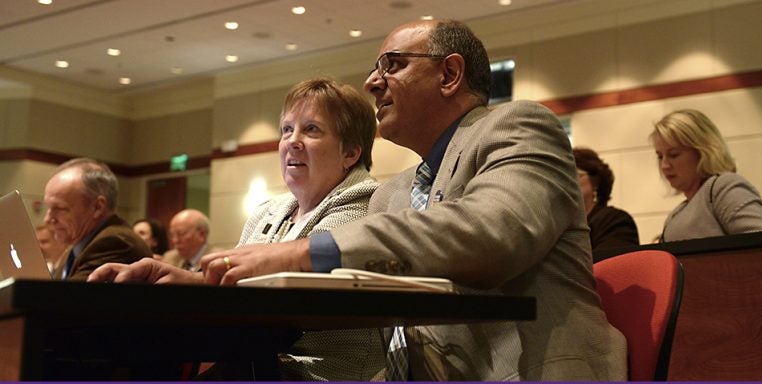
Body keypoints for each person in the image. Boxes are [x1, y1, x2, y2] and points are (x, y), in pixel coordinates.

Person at [91, 20, 627, 381]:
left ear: (450, 74)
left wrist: (306, 250)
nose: (373, 81)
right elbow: (342, 297)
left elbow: (493, 232)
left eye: (391, 63)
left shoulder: (519, 125)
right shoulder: (395, 192)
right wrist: (203, 282)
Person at [92, 78, 384, 380]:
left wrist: (198, 282)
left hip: (319, 373)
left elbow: (286, 290)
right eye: (287, 129)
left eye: (311, 129)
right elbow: (231, 285)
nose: (292, 141)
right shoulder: (267, 211)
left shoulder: (364, 202)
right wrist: (177, 277)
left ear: (350, 153)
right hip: (254, 363)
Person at [652, 109, 762, 242]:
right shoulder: (675, 215)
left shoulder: (723, 187)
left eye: (674, 155)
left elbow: (760, 246)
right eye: (660, 156)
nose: (664, 165)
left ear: (702, 151)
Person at [44, 157, 152, 280]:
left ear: (97, 207)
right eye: (48, 207)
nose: (48, 219)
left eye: (60, 208)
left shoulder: (115, 243)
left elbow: (65, 298)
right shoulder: (76, 246)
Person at [573, 147, 639, 257]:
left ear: (595, 181)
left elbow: (612, 268)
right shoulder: (557, 225)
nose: (566, 182)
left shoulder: (615, 221)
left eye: (574, 175)